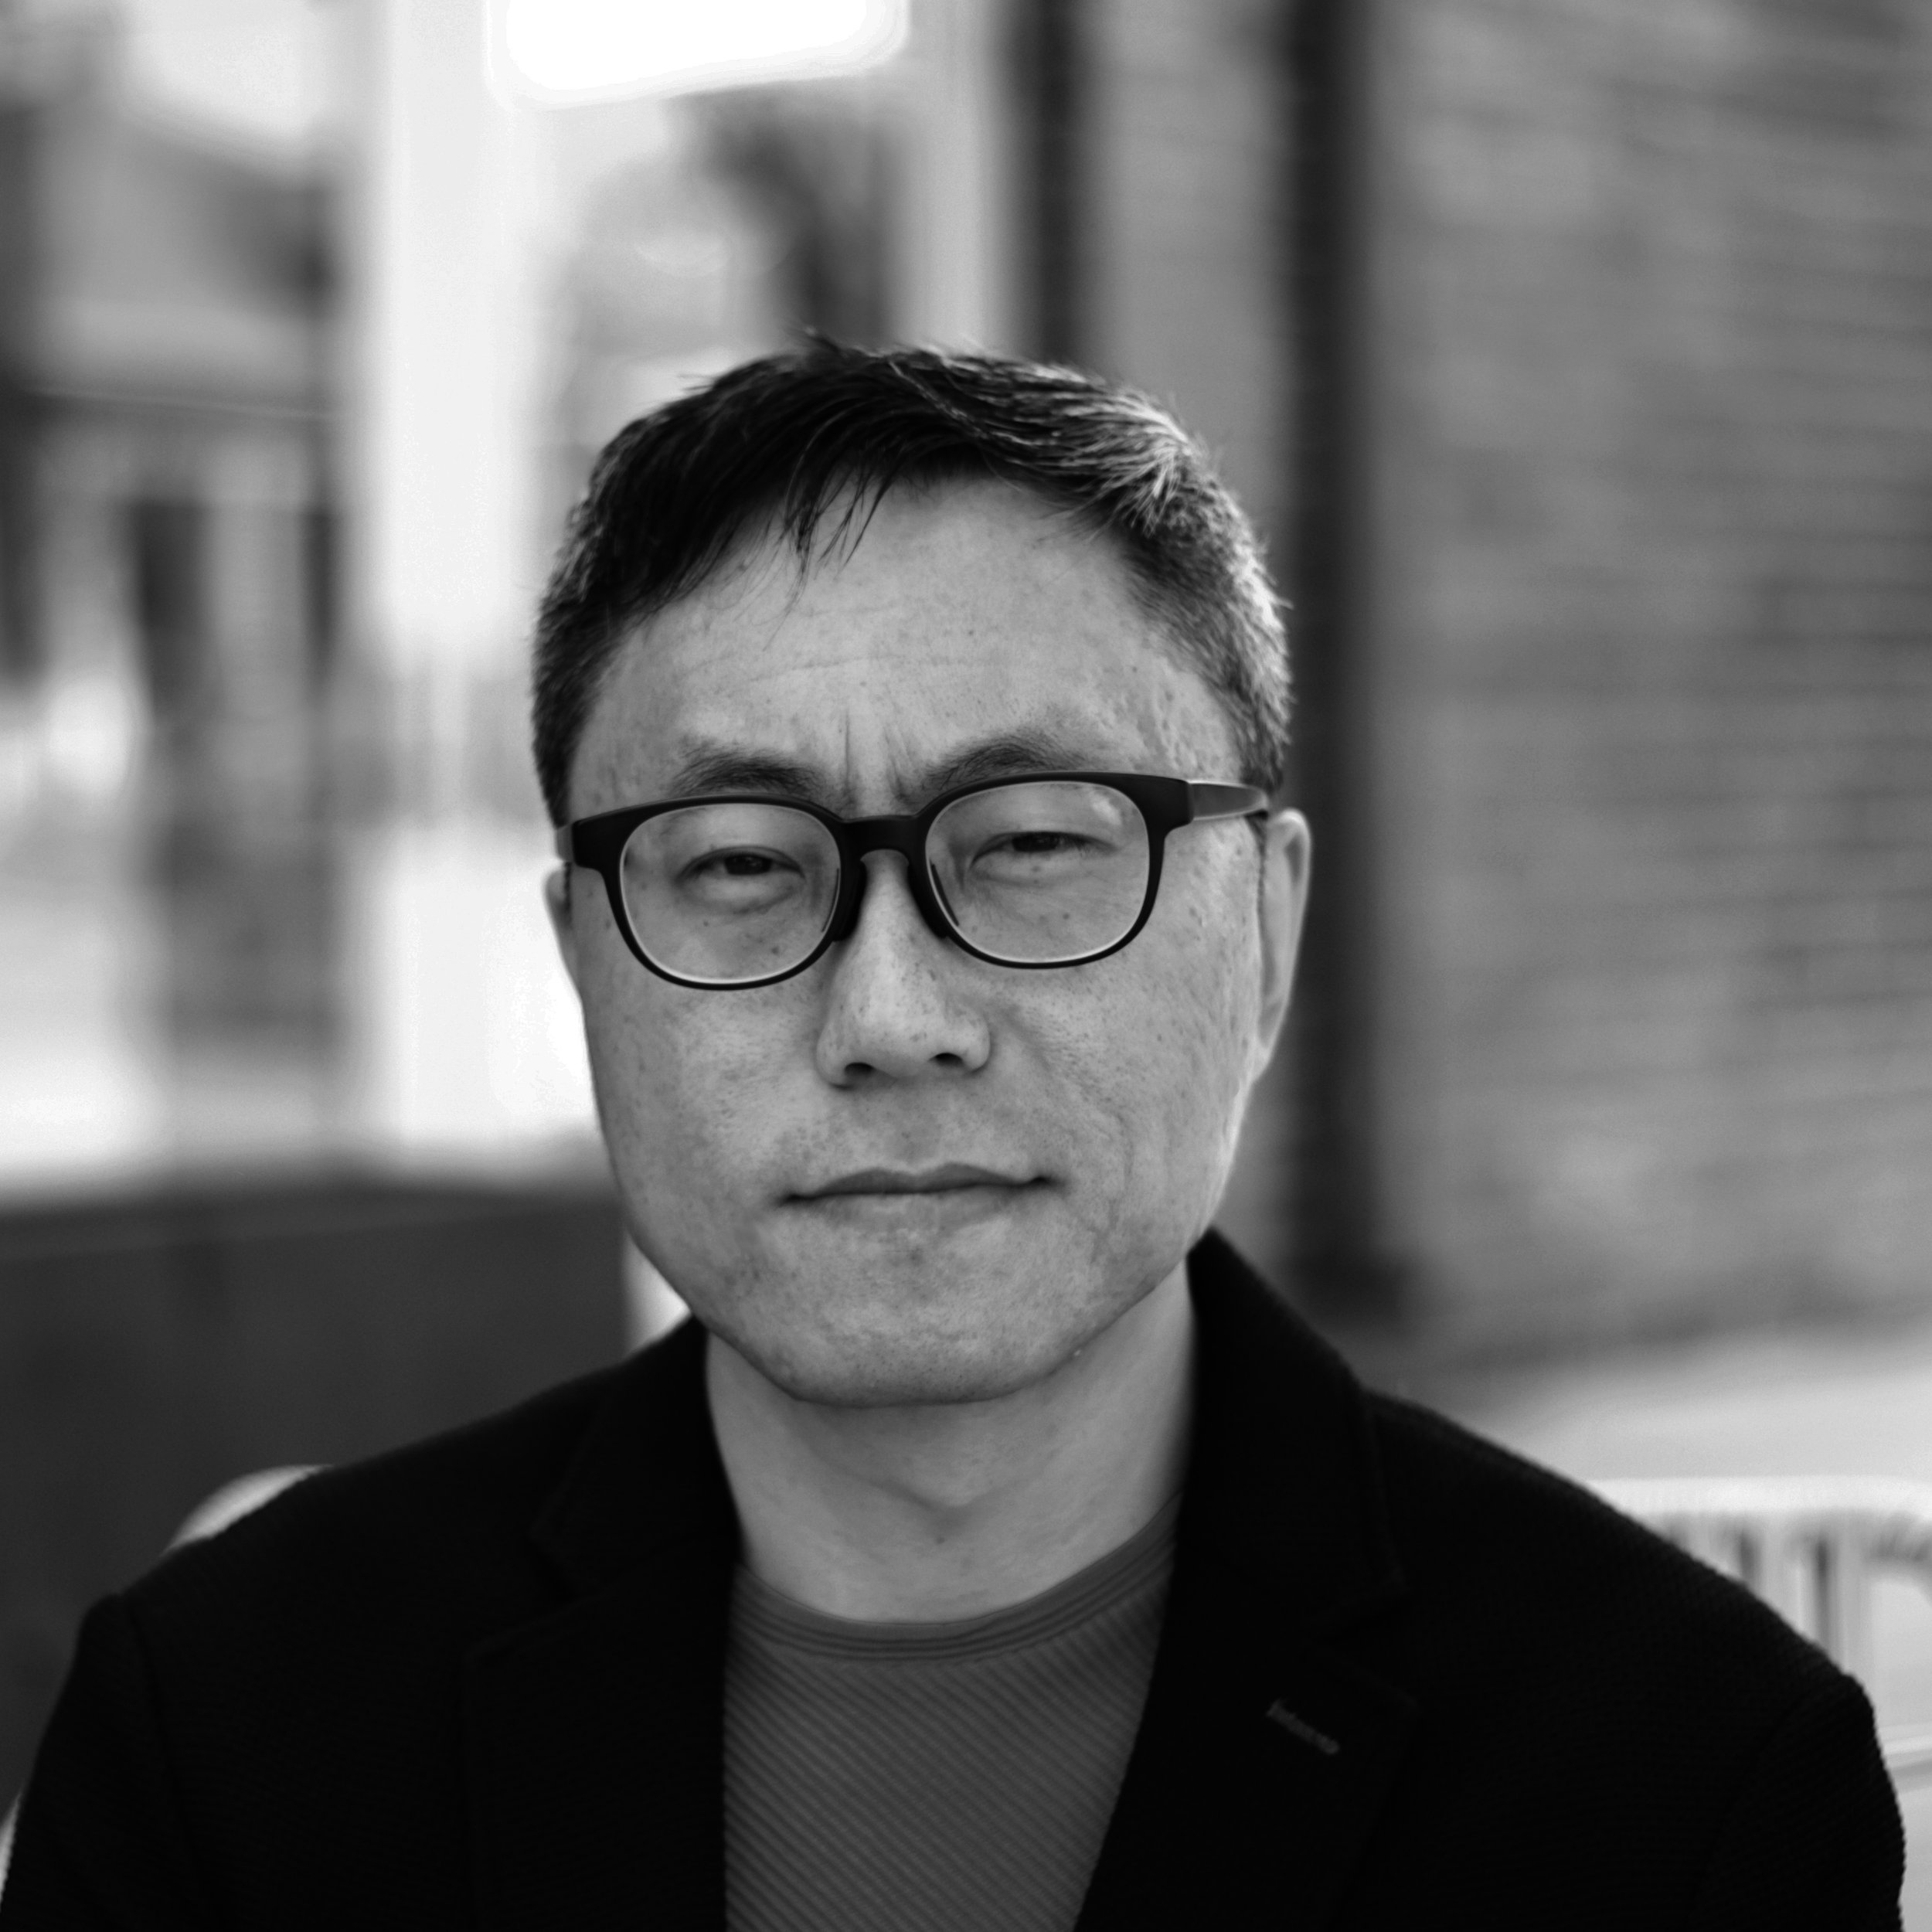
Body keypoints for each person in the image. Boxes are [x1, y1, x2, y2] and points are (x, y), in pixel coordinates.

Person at [2, 344, 1903, 1929]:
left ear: (1263, 936)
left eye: (1035, 845)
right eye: (743, 867)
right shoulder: (227, 1738)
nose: (891, 1015)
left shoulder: (1683, 1783)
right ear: (584, 962)